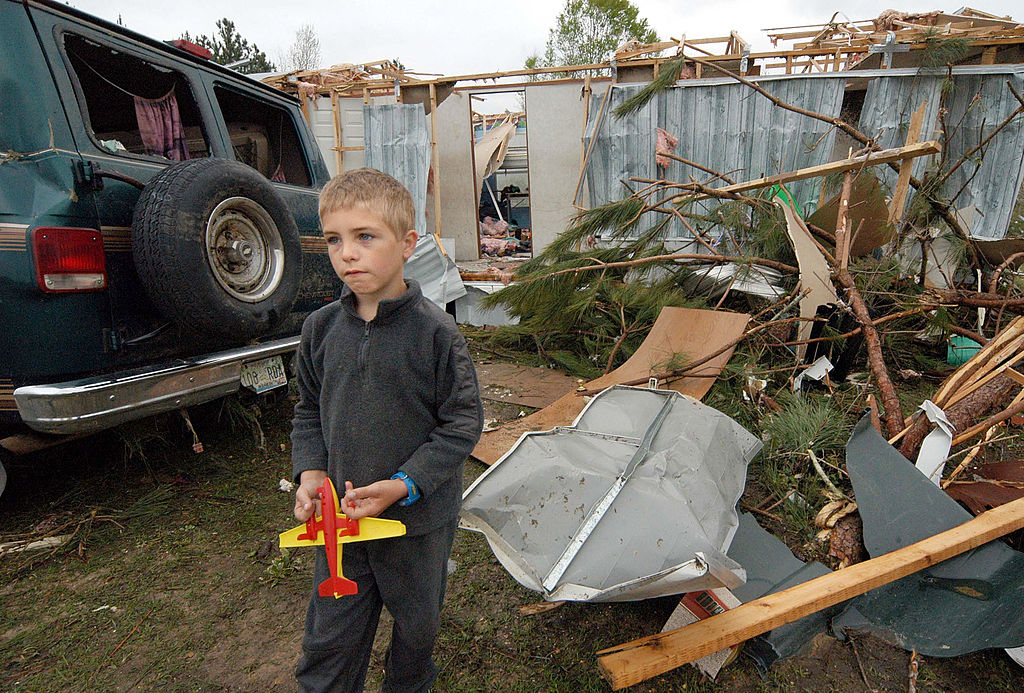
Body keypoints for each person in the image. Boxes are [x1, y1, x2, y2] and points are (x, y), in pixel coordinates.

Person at [289, 168, 483, 692]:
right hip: (342, 525)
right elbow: (309, 408)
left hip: (416, 526)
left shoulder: (437, 334)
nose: (347, 254)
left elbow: (462, 423)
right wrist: (310, 474)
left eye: (365, 237)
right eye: (334, 240)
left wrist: (403, 484)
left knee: (416, 633)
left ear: (407, 243)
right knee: (329, 641)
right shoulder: (320, 330)